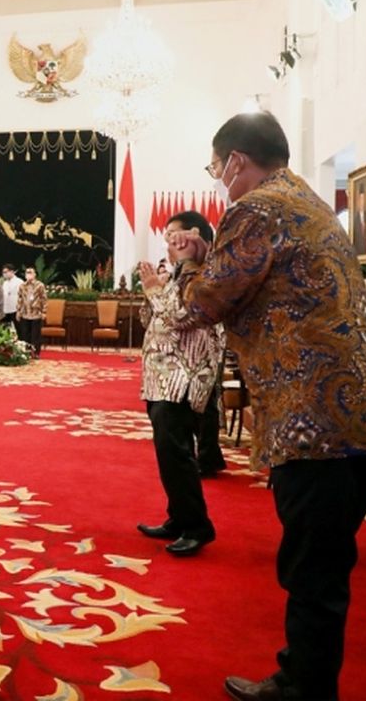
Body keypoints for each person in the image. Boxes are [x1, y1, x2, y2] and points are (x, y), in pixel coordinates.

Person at [166, 112, 366, 701]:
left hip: (311, 416)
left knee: (311, 567)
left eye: (216, 168)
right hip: (358, 412)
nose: (219, 180)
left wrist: (193, 260)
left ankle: (305, 685)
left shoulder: (254, 208)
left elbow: (205, 303)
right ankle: (310, 675)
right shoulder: (308, 198)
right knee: (327, 558)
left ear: (236, 162)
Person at [135, 210, 224, 557]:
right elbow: (154, 319)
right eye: (168, 236)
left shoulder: (205, 275)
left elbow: (182, 318)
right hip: (162, 377)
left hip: (182, 380)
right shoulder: (179, 274)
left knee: (179, 455)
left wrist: (157, 293)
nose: (170, 243)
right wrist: (152, 292)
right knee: (169, 454)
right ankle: (178, 517)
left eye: (176, 236)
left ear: (195, 236)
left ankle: (197, 526)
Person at [16, 266, 46, 355]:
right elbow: (19, 299)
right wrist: (18, 311)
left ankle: (36, 353)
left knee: (35, 335)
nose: (28, 274)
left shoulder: (40, 285)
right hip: (25, 313)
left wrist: (44, 311)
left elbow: (44, 299)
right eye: (27, 273)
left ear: (34, 274)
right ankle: (26, 353)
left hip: (36, 313)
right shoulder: (22, 286)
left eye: (30, 273)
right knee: (25, 335)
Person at [0, 263, 23, 330]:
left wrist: (20, 310)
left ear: (12, 271)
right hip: (6, 310)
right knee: (5, 329)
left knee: (18, 329)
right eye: (3, 272)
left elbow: (22, 297)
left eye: (6, 272)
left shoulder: (19, 282)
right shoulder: (5, 283)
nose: (4, 274)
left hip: (15, 310)